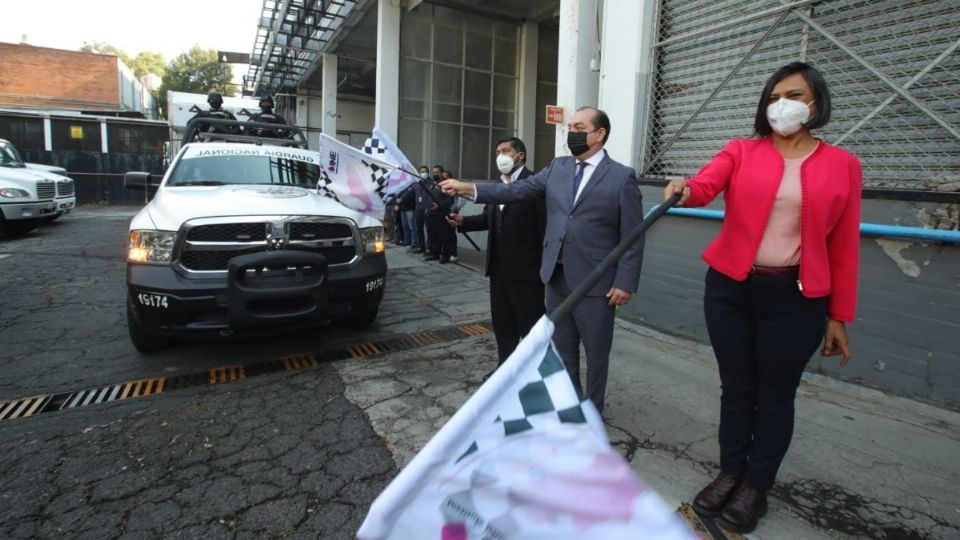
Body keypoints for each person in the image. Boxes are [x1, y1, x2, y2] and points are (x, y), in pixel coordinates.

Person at [662, 62, 861, 534]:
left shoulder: (843, 164)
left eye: (792, 94)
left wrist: (839, 315)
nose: (781, 105)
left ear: (815, 103)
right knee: (736, 390)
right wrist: (685, 188)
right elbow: (705, 184)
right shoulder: (741, 151)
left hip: (795, 298)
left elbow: (845, 245)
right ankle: (730, 472)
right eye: (772, 97)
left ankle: (757, 485)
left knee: (775, 397)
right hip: (730, 288)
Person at [440, 106, 645, 415]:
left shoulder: (621, 177)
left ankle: (594, 411)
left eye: (578, 127)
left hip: (596, 282)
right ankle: (569, 407)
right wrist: (470, 189)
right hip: (556, 278)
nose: (571, 133)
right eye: (570, 127)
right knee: (562, 351)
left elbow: (633, 234)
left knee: (596, 353)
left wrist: (625, 282)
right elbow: (517, 191)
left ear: (599, 134)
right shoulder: (558, 168)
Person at [446, 137, 546, 373]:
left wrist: (542, 269)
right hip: (498, 271)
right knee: (503, 325)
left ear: (520, 155)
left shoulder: (535, 185)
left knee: (531, 327)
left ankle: (536, 375)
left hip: (527, 274)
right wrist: (462, 222)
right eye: (497, 151)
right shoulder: (496, 186)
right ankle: (505, 371)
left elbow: (544, 229)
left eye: (506, 151)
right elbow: (487, 219)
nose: (500, 156)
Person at [425, 165, 456, 263]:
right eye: (433, 172)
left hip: (441, 215)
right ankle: (435, 254)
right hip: (431, 215)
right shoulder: (433, 184)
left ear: (441, 173)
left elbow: (450, 200)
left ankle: (445, 256)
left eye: (436, 172)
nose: (434, 174)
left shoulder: (446, 185)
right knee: (433, 236)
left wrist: (439, 206)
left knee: (444, 237)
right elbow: (428, 198)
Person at [411, 166, 431, 254]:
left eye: (426, 171)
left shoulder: (431, 183)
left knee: (429, 230)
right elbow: (410, 193)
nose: (424, 173)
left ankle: (429, 248)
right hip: (418, 209)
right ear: (419, 173)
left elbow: (432, 197)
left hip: (428, 209)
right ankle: (421, 246)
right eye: (422, 172)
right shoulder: (416, 183)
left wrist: (428, 207)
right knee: (419, 228)